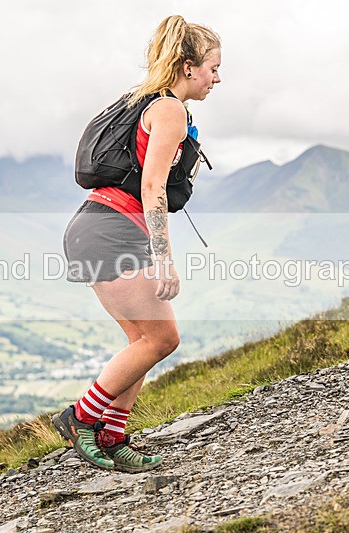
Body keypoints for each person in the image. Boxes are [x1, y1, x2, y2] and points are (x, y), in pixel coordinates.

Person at [52, 15, 222, 472]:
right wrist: (165, 260)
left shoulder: (145, 102)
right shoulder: (169, 110)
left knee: (142, 339)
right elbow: (153, 187)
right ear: (188, 67)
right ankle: (80, 418)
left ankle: (112, 437)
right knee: (163, 338)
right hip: (113, 229)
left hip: (96, 226)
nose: (217, 78)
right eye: (213, 68)